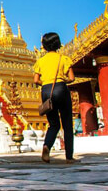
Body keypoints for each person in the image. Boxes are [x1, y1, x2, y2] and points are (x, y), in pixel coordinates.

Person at [33, 32, 76, 164]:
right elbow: (72, 78)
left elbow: (36, 80)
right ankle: (69, 157)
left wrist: (46, 83)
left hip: (46, 90)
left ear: (44, 46)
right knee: (67, 124)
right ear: (58, 44)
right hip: (61, 88)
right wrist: (62, 81)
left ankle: (47, 146)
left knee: (54, 124)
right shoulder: (64, 59)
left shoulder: (40, 61)